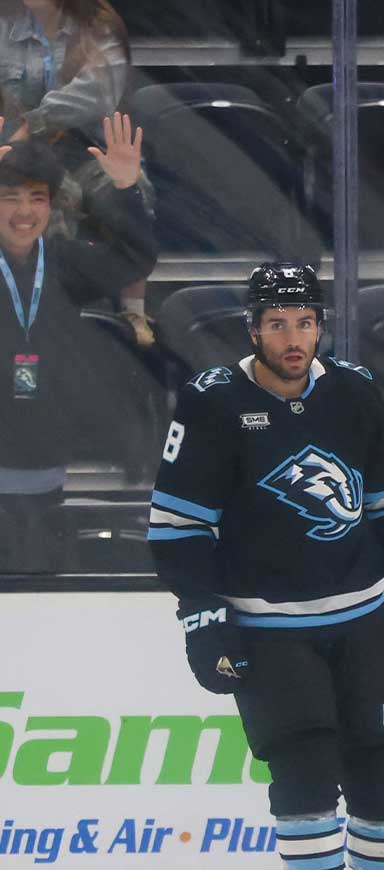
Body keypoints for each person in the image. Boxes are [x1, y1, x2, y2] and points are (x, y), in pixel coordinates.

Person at [148, 263, 384, 870]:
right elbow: (177, 528)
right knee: (305, 781)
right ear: (252, 328)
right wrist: (201, 613)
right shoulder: (213, 400)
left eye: (305, 323)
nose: (293, 338)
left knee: (380, 781)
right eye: (278, 324)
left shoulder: (355, 391)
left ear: (320, 327)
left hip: (361, 621)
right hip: (269, 631)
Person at [0, 113, 152, 573]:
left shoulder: (63, 264)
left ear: (50, 206)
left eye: (36, 199)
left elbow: (133, 259)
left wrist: (128, 191)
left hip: (48, 469)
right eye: (9, 198)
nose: (24, 212)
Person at [0, 0, 153, 343]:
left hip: (85, 154)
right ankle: (37, 305)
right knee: (40, 193)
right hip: (14, 157)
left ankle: (133, 308)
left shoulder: (100, 26)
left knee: (131, 181)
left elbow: (96, 94)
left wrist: (32, 123)